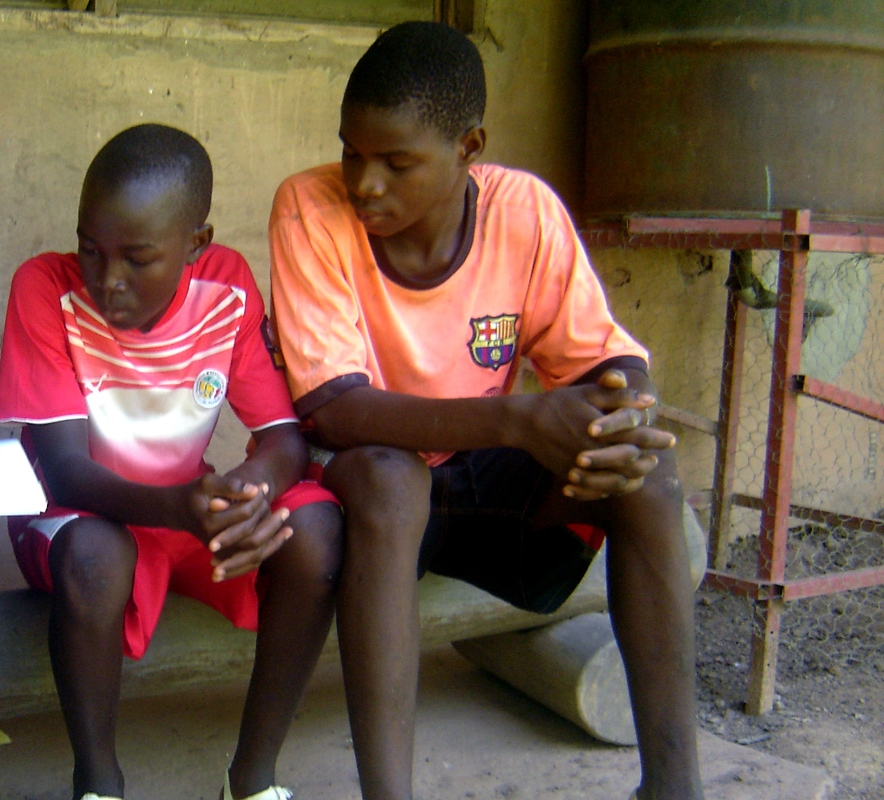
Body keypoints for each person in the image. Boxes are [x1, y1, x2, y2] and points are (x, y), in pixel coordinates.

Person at [267, 21, 703, 800]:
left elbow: (603, 355)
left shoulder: (523, 210)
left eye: (397, 162)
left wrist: (624, 410)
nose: (365, 183)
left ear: (470, 147)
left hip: (490, 491)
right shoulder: (310, 208)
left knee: (646, 473)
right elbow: (334, 411)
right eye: (351, 152)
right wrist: (518, 421)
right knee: (390, 481)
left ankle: (674, 787)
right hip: (378, 495)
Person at [0, 123, 343, 800]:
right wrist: (184, 509)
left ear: (195, 245)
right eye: (90, 249)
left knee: (316, 530)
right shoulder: (46, 289)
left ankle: (252, 777)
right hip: (79, 517)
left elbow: (283, 438)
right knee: (96, 555)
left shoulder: (228, 286)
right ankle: (99, 782)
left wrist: (245, 494)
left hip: (186, 511)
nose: (107, 280)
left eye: (137, 258)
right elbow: (62, 469)